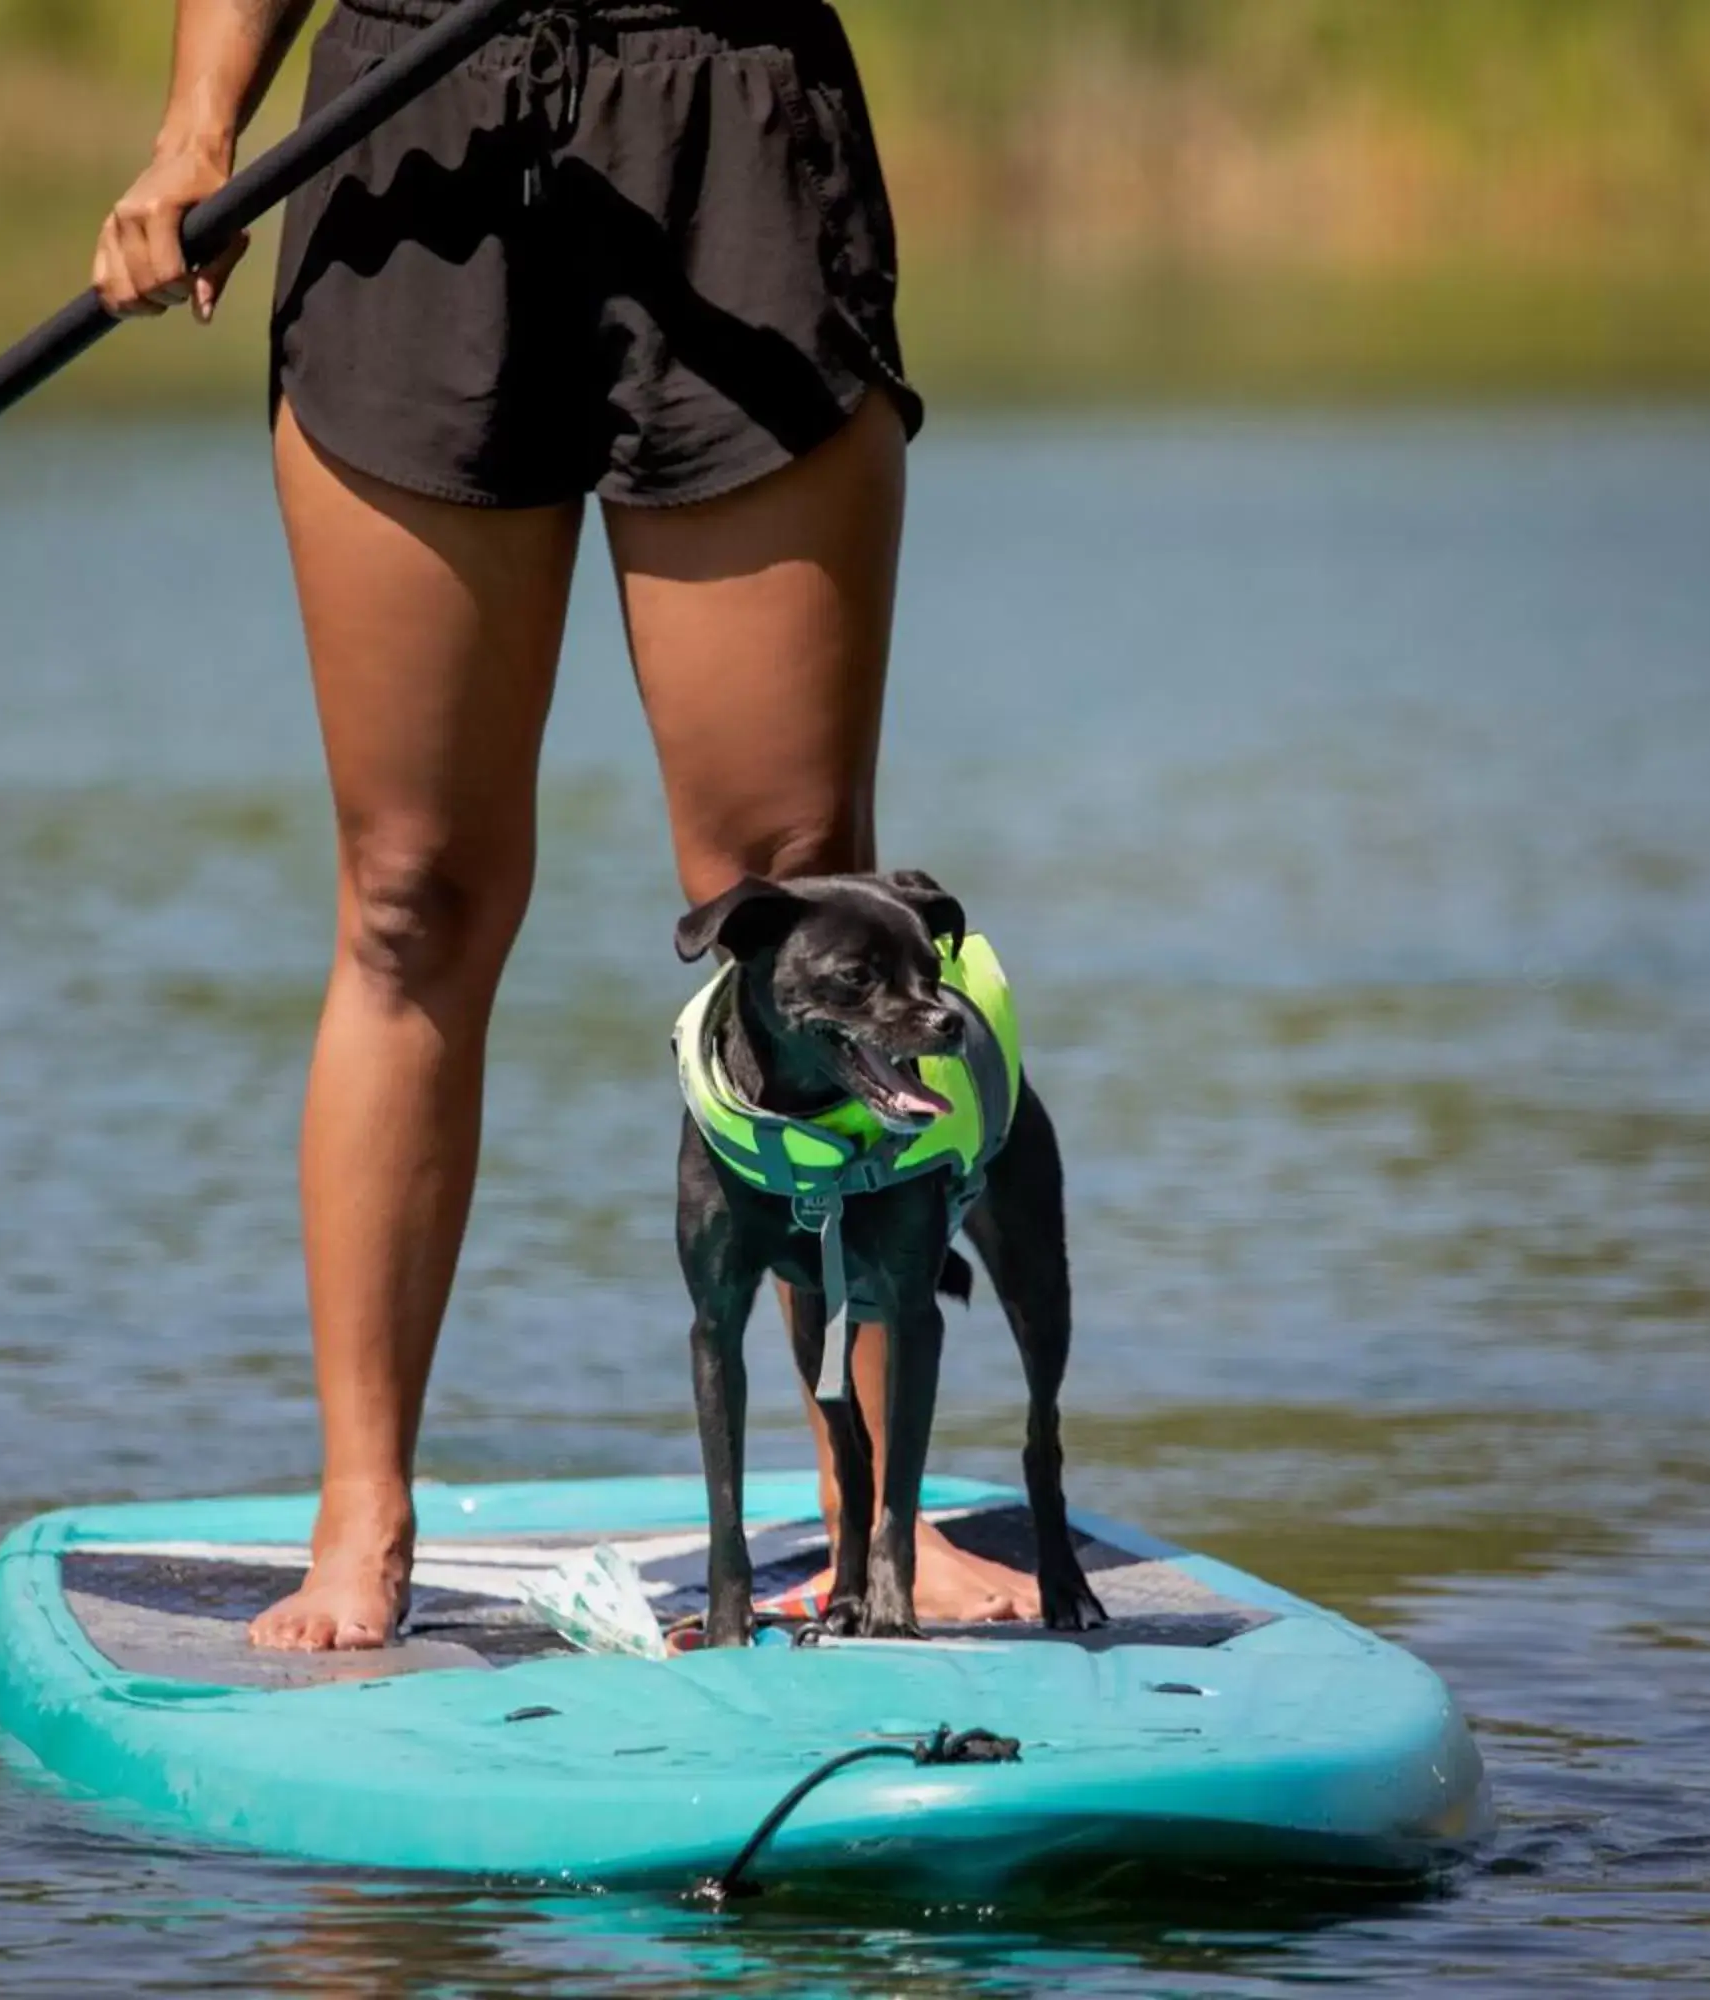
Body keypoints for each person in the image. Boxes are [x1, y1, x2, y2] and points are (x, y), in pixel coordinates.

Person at [94, 0, 1039, 1649]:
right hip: (412, 139)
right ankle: (362, 1506)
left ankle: (872, 1514)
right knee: (412, 896)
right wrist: (197, 132)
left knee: (795, 889)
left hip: (726, 112)